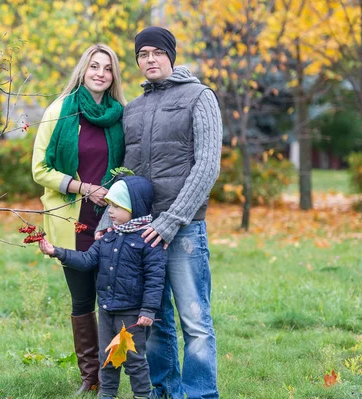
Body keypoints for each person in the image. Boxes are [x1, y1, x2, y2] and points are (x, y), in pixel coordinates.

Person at [106, 27, 223, 399]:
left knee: (194, 319)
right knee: (153, 320)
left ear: (171, 55)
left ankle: (201, 394)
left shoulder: (199, 96)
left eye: (157, 52)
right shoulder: (134, 109)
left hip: (183, 228)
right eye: (142, 54)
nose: (150, 60)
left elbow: (207, 165)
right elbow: (126, 169)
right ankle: (164, 390)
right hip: (141, 231)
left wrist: (172, 220)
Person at [31, 44, 127, 394]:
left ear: (114, 75)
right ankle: (91, 377)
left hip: (113, 220)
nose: (100, 73)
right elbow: (40, 169)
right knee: (83, 299)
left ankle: (113, 373)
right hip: (72, 220)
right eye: (94, 66)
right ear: (83, 71)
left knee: (115, 299)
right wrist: (83, 187)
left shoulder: (119, 114)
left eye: (107, 68)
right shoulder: (61, 111)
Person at [39, 176, 167, 399]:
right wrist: (57, 252)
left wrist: (148, 310)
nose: (110, 211)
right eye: (110, 205)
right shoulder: (107, 239)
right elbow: (87, 260)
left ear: (134, 207)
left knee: (135, 361)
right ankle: (107, 394)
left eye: (117, 206)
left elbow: (155, 280)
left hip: (133, 315)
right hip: (107, 311)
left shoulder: (149, 241)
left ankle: (142, 396)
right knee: (107, 358)